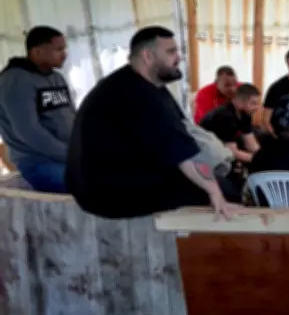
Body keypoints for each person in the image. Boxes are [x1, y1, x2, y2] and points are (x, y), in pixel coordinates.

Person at [66, 26, 235, 220]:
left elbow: (183, 130)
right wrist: (215, 193)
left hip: (122, 174)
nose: (178, 58)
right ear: (147, 56)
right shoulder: (134, 95)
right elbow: (182, 154)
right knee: (222, 191)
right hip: (106, 192)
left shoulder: (148, 85)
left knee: (217, 181)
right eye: (170, 52)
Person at [0, 26, 74, 193]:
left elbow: (71, 116)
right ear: (37, 51)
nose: (64, 54)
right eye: (58, 49)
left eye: (64, 49)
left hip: (66, 156)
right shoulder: (15, 81)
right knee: (94, 187)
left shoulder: (56, 78)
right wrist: (71, 154)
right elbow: (29, 132)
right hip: (37, 162)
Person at [199, 83, 262, 201]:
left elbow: (251, 144)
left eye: (258, 103)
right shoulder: (225, 116)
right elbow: (232, 152)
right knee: (233, 194)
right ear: (240, 102)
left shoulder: (245, 114)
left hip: (222, 152)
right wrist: (259, 160)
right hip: (205, 158)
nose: (257, 108)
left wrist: (267, 157)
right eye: (253, 103)